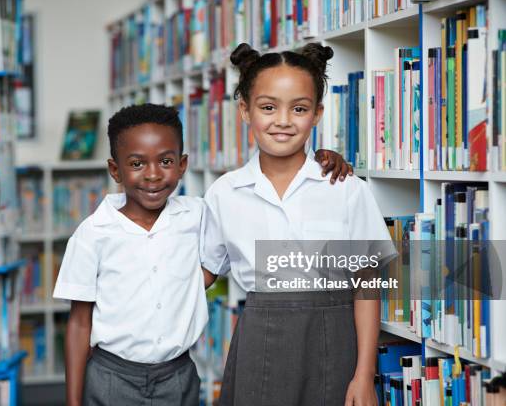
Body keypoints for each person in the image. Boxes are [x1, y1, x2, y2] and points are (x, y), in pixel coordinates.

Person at [54, 103, 352, 406]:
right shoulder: (93, 233)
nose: (154, 175)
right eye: (136, 164)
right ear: (115, 169)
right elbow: (79, 323)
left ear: (182, 165)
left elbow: (250, 194)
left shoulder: (199, 214)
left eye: (166, 161)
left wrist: (316, 160)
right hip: (111, 377)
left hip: (178, 375)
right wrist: (73, 402)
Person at [201, 43, 396, 406]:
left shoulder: (346, 189)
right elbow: (203, 274)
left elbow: (367, 285)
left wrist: (364, 375)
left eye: (300, 108)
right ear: (245, 110)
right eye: (268, 107)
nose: (283, 121)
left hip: (335, 342)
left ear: (318, 113)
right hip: (260, 342)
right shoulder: (224, 193)